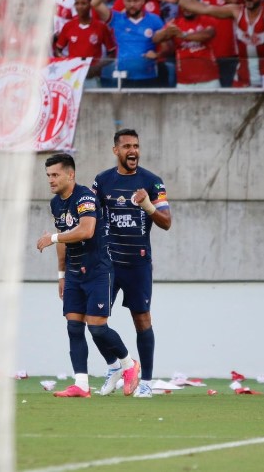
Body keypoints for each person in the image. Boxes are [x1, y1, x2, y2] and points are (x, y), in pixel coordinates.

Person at [36, 153, 140, 398]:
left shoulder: (85, 197)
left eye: (55, 174)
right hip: (73, 272)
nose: (51, 180)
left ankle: (128, 364)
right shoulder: (56, 203)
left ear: (70, 175)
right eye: (48, 175)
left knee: (97, 327)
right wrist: (61, 274)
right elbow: (64, 238)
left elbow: (86, 230)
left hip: (97, 271)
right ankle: (81, 384)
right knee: (74, 327)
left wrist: (51, 237)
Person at [91, 129, 171, 399]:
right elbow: (89, 219)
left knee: (142, 320)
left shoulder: (152, 181)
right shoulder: (102, 181)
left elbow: (166, 222)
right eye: (126, 146)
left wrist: (148, 205)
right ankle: (117, 366)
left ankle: (146, 382)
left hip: (138, 264)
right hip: (109, 264)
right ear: (116, 151)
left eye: (136, 145)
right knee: (95, 322)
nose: (132, 150)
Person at [92, 0, 171, 87]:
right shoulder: (117, 19)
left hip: (148, 77)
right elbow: (95, 3)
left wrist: (157, 54)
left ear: (143, 1)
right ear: (123, 1)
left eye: (136, 1)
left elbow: (167, 47)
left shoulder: (155, 20)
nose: (132, 4)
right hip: (123, 77)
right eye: (129, 1)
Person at [54, 0, 118, 88]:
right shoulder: (68, 26)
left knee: (94, 102)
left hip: (92, 76)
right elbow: (58, 50)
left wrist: (97, 66)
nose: (80, 7)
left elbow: (112, 53)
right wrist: (67, 63)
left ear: (90, 5)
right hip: (73, 76)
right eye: (77, 3)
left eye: (83, 3)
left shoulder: (101, 27)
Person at [161, 0, 221, 88]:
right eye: (184, 3)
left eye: (191, 3)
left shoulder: (208, 19)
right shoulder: (175, 23)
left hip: (209, 80)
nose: (187, 7)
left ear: (198, 5)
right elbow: (157, 39)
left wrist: (183, 35)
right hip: (184, 81)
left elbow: (207, 35)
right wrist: (164, 33)